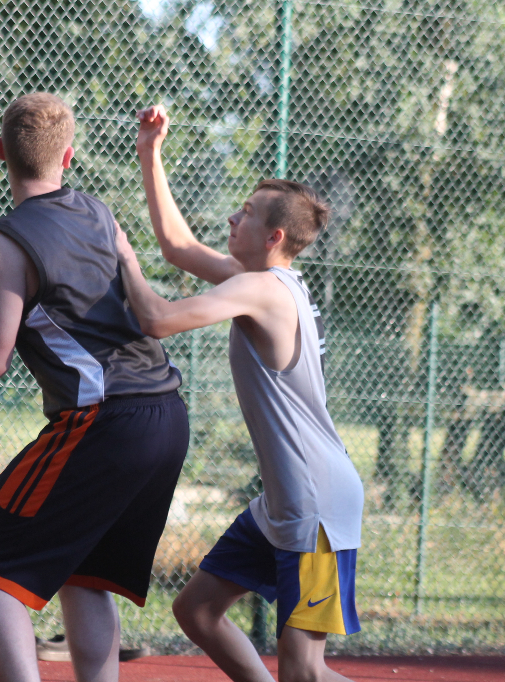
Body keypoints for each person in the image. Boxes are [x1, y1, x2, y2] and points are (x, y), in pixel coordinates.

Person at [0, 93, 189, 682]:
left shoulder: (8, 238)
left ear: (1, 152)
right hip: (165, 415)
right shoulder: (98, 213)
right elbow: (45, 292)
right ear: (68, 156)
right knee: (84, 574)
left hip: (105, 421)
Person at [115, 104, 364, 682]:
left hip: (316, 506)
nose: (232, 216)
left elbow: (156, 319)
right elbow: (178, 247)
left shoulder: (265, 292)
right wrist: (150, 152)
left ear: (274, 236)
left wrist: (121, 253)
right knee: (197, 611)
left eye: (246, 212)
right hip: (284, 501)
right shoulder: (263, 283)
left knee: (304, 672)